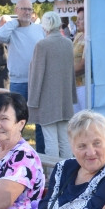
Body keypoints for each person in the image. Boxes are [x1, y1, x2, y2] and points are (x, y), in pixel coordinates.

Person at [0, 0, 45, 151]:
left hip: (38, 81)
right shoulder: (12, 30)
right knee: (15, 120)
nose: (27, 12)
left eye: (29, 9)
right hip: (18, 81)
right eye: (23, 9)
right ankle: (15, 152)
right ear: (16, 10)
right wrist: (15, 22)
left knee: (40, 121)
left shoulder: (39, 29)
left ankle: (40, 154)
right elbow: (0, 35)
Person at [28, 11, 76, 160]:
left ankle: (53, 176)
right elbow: (71, 72)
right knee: (65, 141)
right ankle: (68, 172)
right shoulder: (68, 43)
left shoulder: (42, 45)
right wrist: (71, 96)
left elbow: (37, 75)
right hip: (64, 98)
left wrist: (33, 101)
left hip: (47, 100)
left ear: (45, 26)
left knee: (51, 142)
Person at [72, 7, 87, 112]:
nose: (77, 22)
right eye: (77, 19)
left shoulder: (90, 38)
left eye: (80, 19)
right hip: (74, 84)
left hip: (85, 86)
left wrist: (63, 74)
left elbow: (83, 65)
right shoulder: (79, 35)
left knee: (84, 118)